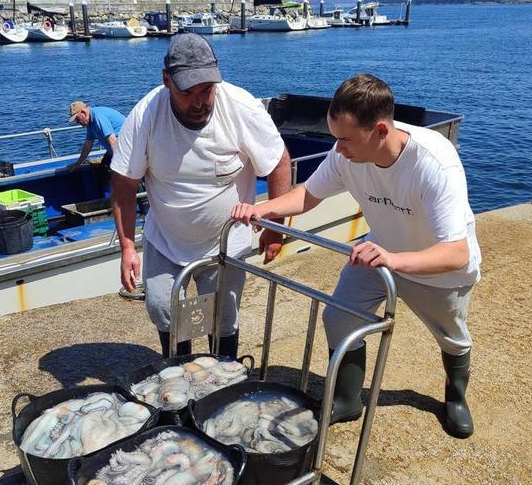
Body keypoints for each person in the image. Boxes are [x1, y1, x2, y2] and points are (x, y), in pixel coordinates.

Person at [231, 73, 481, 438]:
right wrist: (264, 209)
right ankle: (348, 399)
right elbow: (308, 195)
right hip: (378, 252)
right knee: (338, 318)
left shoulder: (433, 164)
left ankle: (455, 398)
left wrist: (394, 260)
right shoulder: (346, 153)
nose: (338, 148)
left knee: (452, 338)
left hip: (436, 267)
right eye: (335, 138)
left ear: (380, 130)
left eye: (345, 139)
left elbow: (456, 253)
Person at [110, 33, 292, 359]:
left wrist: (275, 225)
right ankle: (179, 378)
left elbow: (278, 161)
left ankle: (222, 381)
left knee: (223, 318)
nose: (199, 101)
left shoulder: (240, 107)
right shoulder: (146, 115)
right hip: (165, 237)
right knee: (163, 308)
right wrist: (126, 247)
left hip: (225, 240)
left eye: (206, 89)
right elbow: (123, 183)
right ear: (166, 81)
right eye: (187, 91)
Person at [66, 101, 126, 174]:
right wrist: (78, 163)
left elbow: (112, 140)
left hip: (125, 150)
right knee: (103, 170)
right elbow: (88, 144)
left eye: (77, 119)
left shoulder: (98, 117)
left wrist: (120, 165)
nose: (77, 122)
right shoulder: (90, 122)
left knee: (118, 175)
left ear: (83, 112)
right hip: (116, 150)